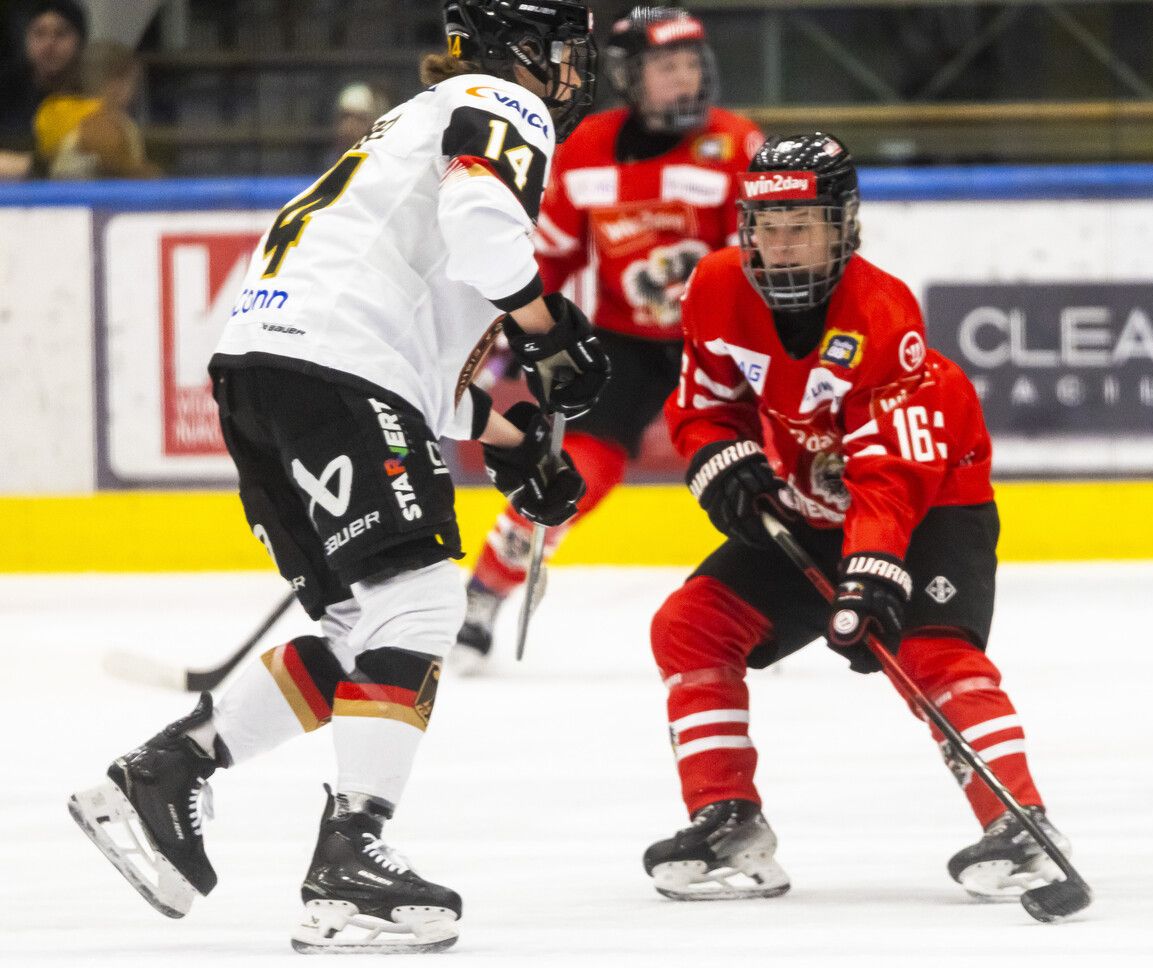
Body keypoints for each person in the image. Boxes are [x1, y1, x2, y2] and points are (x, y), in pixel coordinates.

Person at [67, 0, 605, 953]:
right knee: (423, 600)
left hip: (265, 375)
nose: (572, 71)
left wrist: (511, 438)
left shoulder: (411, 128)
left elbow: (416, 371)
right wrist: (546, 329)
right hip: (335, 369)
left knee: (364, 628)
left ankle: (168, 769)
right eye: (561, 51)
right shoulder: (501, 101)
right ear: (517, 51)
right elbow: (483, 224)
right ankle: (351, 862)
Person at [641, 133, 1074, 903]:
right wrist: (718, 458)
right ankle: (727, 820)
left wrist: (871, 574)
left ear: (843, 227)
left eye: (800, 226)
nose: (780, 246)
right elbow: (703, 405)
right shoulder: (716, 286)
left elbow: (890, 474)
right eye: (766, 227)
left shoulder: (882, 311)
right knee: (691, 626)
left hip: (931, 501)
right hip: (811, 500)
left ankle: (1019, 821)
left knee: (932, 653)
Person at [453, 5, 763, 671]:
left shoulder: (736, 145)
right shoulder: (586, 148)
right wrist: (501, 334)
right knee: (572, 475)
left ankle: (780, 594)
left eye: (691, 63)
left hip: (719, 343)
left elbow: (758, 264)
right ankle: (485, 591)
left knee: (765, 465)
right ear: (629, 76)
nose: (685, 79)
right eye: (667, 66)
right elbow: (547, 259)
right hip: (623, 344)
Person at [34, 40, 160, 179]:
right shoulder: (101, 123)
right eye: (133, 81)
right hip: (90, 192)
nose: (134, 91)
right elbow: (120, 168)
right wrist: (159, 181)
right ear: (116, 83)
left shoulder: (58, 111)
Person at [0, 0, 87, 179]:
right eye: (39, 33)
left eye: (61, 34)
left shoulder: (94, 91)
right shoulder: (6, 87)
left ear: (80, 42)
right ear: (25, 40)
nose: (49, 44)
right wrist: (35, 166)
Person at [323, 82, 391, 169]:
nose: (348, 126)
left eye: (360, 119)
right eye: (344, 117)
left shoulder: (388, 168)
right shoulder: (325, 165)